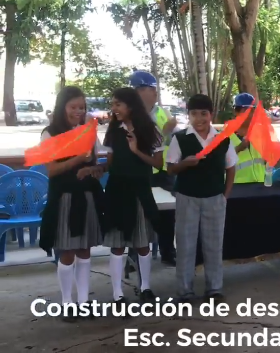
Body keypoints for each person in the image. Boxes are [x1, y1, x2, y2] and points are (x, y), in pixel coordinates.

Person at [38, 87, 104, 322]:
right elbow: (52, 169)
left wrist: (94, 168)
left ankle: (84, 302)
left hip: (86, 195)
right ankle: (67, 303)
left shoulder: (88, 132)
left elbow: (98, 161)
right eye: (73, 107)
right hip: (64, 197)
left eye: (82, 107)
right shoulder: (50, 133)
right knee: (67, 253)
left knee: (85, 251)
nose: (78, 111)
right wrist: (78, 158)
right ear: (62, 107)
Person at [166, 94, 236, 302]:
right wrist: (185, 164)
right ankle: (185, 290)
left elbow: (231, 167)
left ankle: (214, 288)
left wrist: (226, 194)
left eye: (203, 113)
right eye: (194, 114)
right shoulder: (180, 139)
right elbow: (170, 169)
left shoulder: (222, 139)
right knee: (186, 245)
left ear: (211, 114)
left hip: (215, 197)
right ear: (188, 116)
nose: (199, 119)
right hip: (187, 197)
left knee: (214, 245)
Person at [101, 87, 163, 305]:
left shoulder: (150, 130)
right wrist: (96, 169)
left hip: (140, 192)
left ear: (130, 105)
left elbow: (158, 163)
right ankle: (117, 292)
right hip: (118, 192)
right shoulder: (112, 131)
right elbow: (109, 162)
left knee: (142, 243)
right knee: (117, 245)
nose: (114, 108)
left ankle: (145, 287)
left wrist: (136, 150)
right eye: (113, 104)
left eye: (118, 104)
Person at [129, 70, 177, 266]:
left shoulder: (163, 113)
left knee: (167, 215)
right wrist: (163, 132)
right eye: (138, 89)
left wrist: (171, 131)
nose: (145, 93)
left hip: (162, 171)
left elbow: (171, 141)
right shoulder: (129, 115)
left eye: (145, 89)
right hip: (140, 170)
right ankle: (133, 255)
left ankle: (168, 252)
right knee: (137, 213)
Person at [230, 93, 266, 183]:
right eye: (245, 110)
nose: (250, 115)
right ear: (236, 111)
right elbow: (218, 164)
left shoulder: (261, 132)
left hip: (260, 185)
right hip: (238, 188)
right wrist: (238, 148)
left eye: (252, 111)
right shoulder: (225, 136)